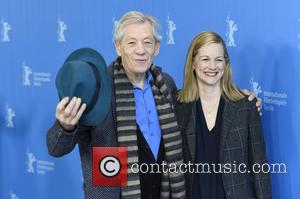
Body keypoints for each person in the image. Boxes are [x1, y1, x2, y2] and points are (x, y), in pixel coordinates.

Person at [47, 11, 261, 199]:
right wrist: (65, 127)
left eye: (147, 42)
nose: (140, 50)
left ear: (156, 47)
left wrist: (239, 99)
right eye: (132, 43)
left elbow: (202, 98)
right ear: (118, 46)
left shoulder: (165, 85)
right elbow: (55, 148)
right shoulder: (100, 88)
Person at [177, 31, 272, 199]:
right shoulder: (177, 106)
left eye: (219, 59)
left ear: (226, 64)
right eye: (205, 59)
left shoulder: (245, 106)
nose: (212, 66)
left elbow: (259, 166)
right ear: (193, 63)